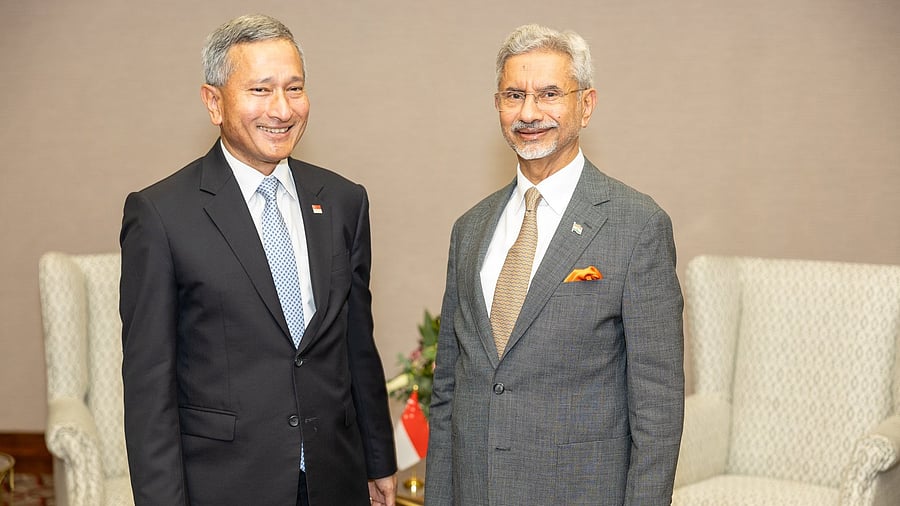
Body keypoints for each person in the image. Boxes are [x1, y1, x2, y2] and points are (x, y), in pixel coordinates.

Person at [119, 14, 397, 506]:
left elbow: (356, 344)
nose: (282, 109)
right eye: (261, 90)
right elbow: (149, 388)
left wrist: (379, 461)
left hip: (335, 477)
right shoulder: (161, 215)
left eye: (294, 88)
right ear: (213, 102)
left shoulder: (343, 200)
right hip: (225, 484)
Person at [425, 24, 684, 505]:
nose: (529, 113)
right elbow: (448, 390)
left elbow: (658, 408)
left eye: (549, 94)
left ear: (585, 105)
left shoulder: (637, 225)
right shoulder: (470, 229)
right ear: (497, 105)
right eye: (514, 95)